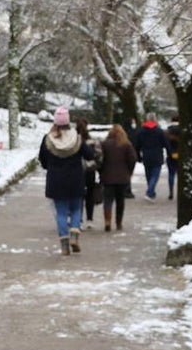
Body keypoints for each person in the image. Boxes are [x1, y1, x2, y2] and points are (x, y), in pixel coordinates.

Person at [38, 107, 94, 255]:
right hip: (75, 179)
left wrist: (51, 165)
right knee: (76, 209)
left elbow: (42, 161)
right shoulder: (76, 138)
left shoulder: (48, 139)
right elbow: (89, 155)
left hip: (56, 181)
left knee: (61, 212)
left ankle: (64, 244)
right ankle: (75, 234)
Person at [99, 124, 137, 232]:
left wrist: (101, 171)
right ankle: (118, 223)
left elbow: (99, 159)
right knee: (120, 201)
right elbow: (133, 159)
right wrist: (129, 171)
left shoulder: (105, 144)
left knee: (108, 200)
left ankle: (107, 221)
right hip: (122, 177)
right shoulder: (126, 145)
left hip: (107, 177)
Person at [134, 112, 168, 201]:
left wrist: (138, 156)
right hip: (157, 156)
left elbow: (137, 145)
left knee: (148, 175)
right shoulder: (159, 131)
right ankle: (150, 192)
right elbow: (165, 143)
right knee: (155, 176)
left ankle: (151, 192)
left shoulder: (141, 131)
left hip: (146, 156)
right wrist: (170, 152)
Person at [77, 118, 102, 228]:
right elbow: (99, 155)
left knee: (78, 196)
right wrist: (96, 166)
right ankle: (90, 219)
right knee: (90, 195)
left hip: (76, 171)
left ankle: (79, 219)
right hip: (90, 171)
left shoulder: (72, 140)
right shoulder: (92, 141)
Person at [165, 115, 182, 201]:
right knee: (181, 175)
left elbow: (166, 143)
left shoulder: (168, 131)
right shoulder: (182, 130)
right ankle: (181, 192)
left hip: (170, 155)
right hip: (181, 155)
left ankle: (171, 192)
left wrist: (171, 153)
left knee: (171, 174)